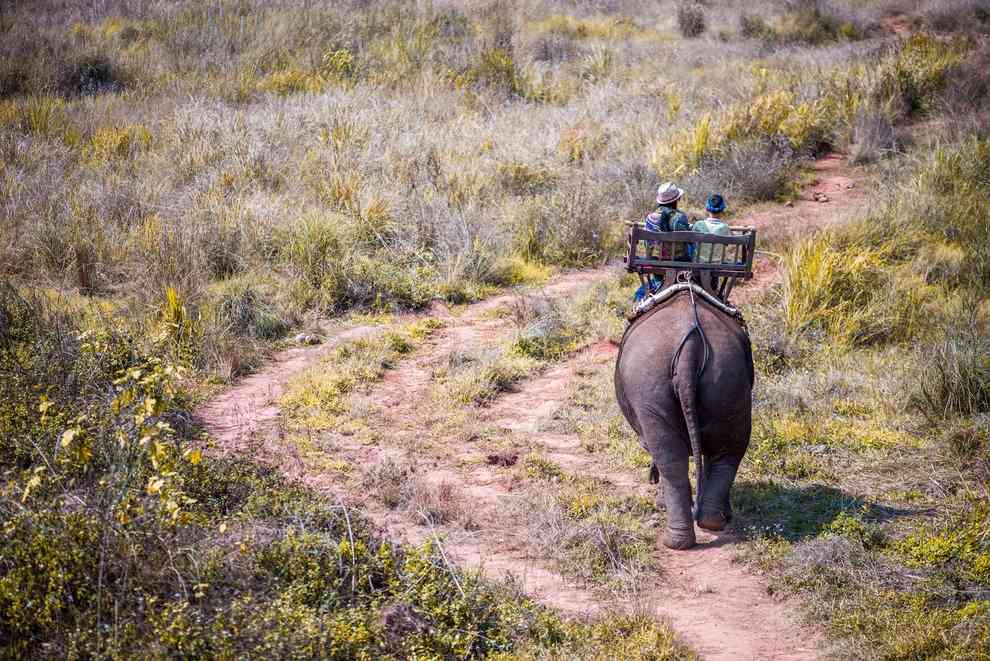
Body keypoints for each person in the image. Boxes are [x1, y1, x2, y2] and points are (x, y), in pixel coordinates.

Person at [634, 181, 692, 301]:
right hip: (680, 262)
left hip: (656, 263)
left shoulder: (650, 217)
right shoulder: (680, 218)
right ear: (677, 199)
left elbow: (647, 243)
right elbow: (689, 240)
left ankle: (653, 289)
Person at [692, 193, 732, 263]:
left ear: (707, 209)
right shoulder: (725, 227)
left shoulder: (698, 224)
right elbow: (727, 244)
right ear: (722, 210)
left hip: (698, 262)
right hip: (717, 264)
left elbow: (692, 241)